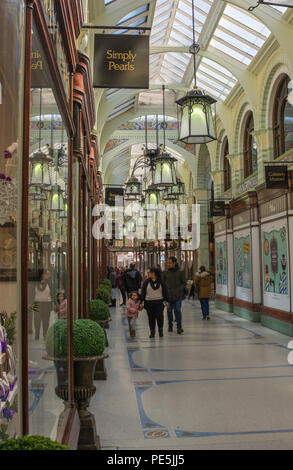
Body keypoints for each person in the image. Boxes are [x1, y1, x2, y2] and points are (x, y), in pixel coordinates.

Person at [141, 267, 168, 338]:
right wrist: (141, 302)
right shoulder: (146, 282)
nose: (148, 274)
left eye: (149, 272)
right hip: (149, 303)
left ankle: (160, 330)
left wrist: (166, 300)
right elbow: (143, 293)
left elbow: (165, 291)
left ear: (154, 273)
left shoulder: (161, 282)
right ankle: (152, 331)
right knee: (151, 318)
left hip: (159, 302)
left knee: (160, 317)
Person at [162, 256, 186, 334]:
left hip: (178, 296)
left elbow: (184, 283)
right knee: (169, 311)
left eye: (170, 263)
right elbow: (162, 283)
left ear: (174, 263)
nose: (168, 264)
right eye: (167, 263)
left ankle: (179, 327)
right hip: (168, 296)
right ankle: (170, 325)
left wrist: (180, 289)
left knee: (177, 310)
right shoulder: (165, 272)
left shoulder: (180, 272)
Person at [33, 269, 52, 340]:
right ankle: (37, 334)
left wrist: (53, 303)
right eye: (45, 274)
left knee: (46, 320)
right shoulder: (35, 283)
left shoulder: (49, 283)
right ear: (41, 275)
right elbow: (32, 293)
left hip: (47, 303)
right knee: (37, 320)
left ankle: (45, 334)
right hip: (37, 303)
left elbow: (52, 293)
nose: (47, 275)